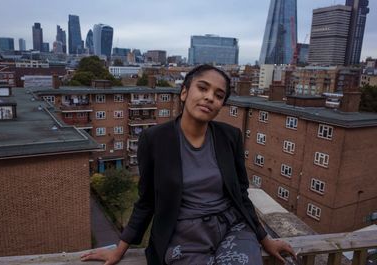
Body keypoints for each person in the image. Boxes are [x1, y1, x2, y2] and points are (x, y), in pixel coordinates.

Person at [81, 65, 296, 265]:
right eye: (202, 88)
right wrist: (119, 250)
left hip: (232, 228)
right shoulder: (154, 139)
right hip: (183, 233)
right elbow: (146, 200)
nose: (209, 97)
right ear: (184, 93)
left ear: (221, 105)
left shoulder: (230, 137)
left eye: (219, 95)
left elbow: (241, 194)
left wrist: (265, 240)